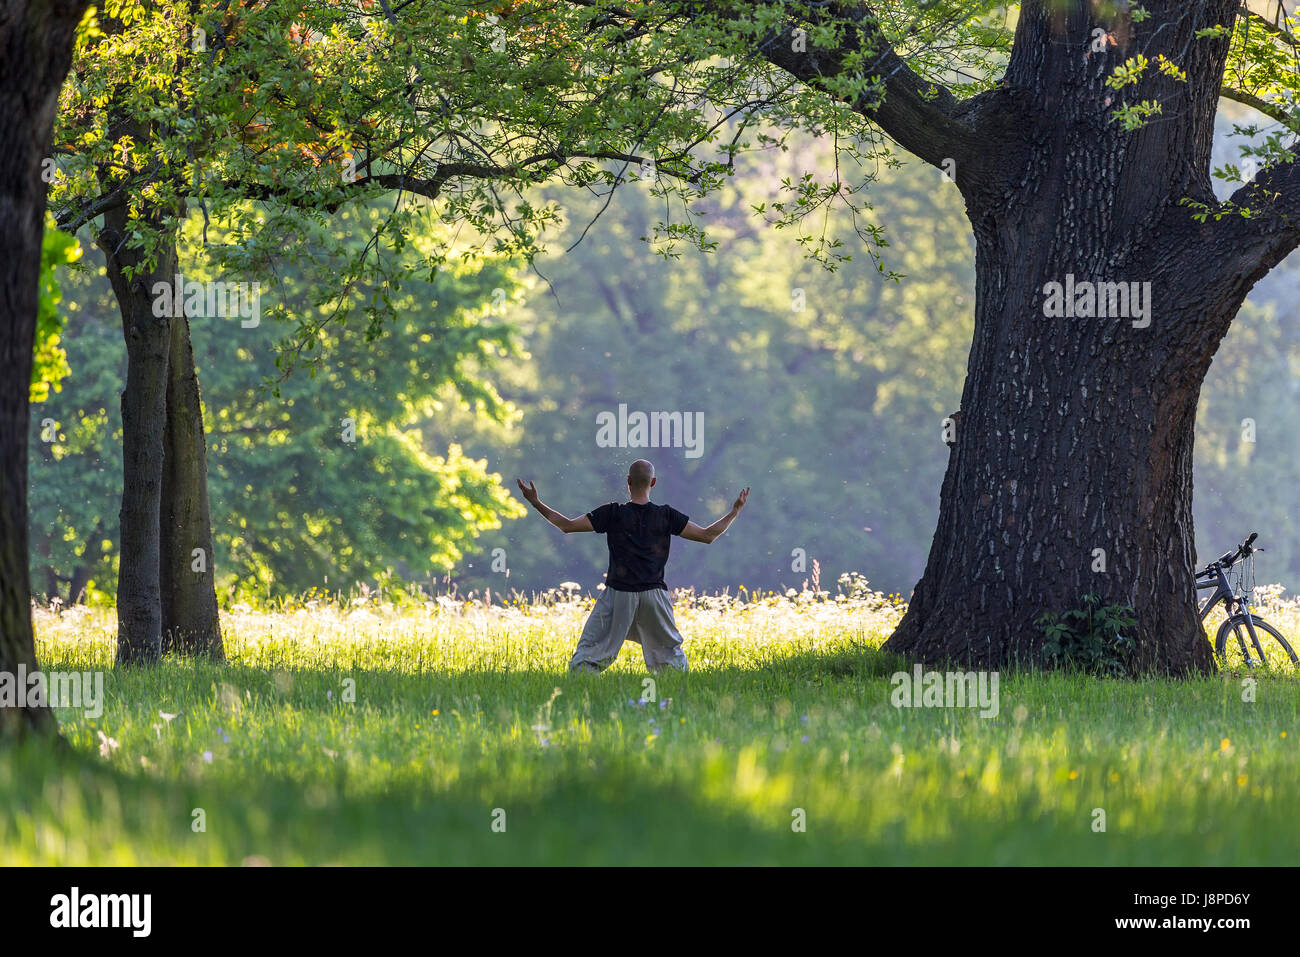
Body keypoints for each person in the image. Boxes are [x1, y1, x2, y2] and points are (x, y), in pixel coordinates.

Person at [515, 459, 749, 673]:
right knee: (671, 662)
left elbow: (566, 526)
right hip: (654, 596)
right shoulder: (666, 515)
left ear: (628, 482)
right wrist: (734, 511)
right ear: (653, 482)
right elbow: (708, 536)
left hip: (619, 595)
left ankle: (585, 695)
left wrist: (536, 503)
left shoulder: (612, 513)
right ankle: (674, 703)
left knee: (587, 658)